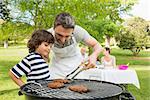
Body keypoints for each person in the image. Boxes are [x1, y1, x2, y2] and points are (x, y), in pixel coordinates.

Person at [48, 12, 103, 79]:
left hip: (76, 66)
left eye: (67, 36)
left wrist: (94, 55)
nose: (63, 40)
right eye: (59, 35)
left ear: (73, 31)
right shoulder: (47, 35)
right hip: (56, 67)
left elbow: (97, 45)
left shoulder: (78, 32)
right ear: (54, 28)